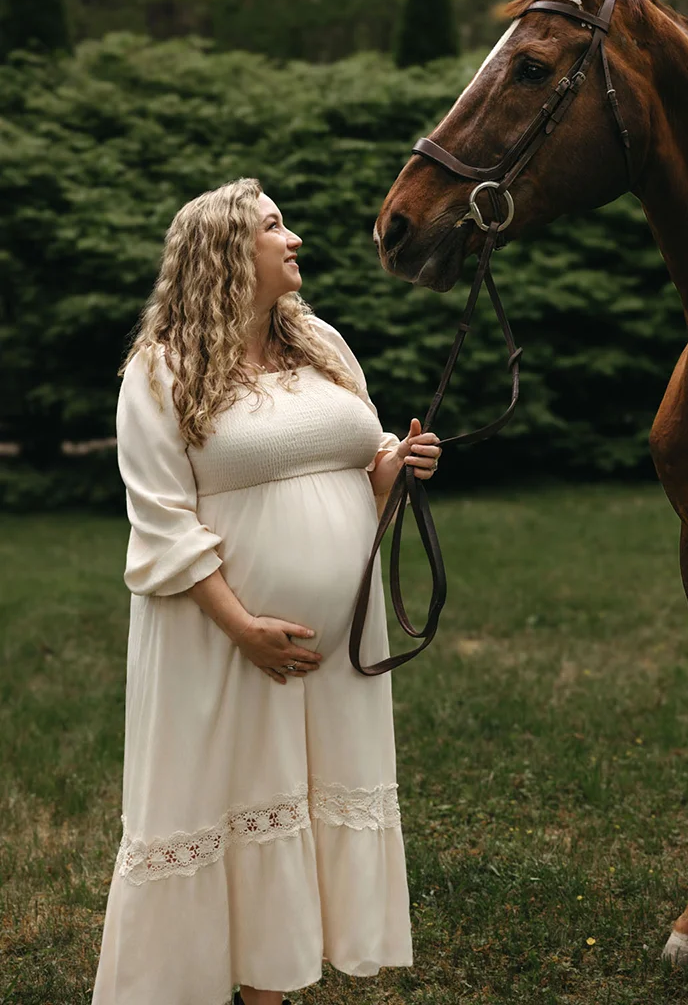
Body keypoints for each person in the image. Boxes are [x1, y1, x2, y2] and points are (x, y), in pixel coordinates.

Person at [91, 177, 442, 1005]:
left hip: (337, 650)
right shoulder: (160, 370)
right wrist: (242, 625)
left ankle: (275, 985)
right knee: (234, 801)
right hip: (223, 646)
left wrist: (393, 470)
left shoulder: (321, 343)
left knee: (306, 808)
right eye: (275, 227)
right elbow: (162, 520)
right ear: (223, 252)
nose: (295, 241)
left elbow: (359, 472)